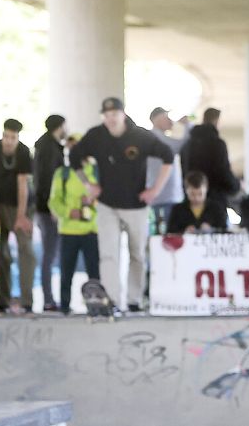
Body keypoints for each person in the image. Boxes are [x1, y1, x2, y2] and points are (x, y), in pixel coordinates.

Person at [69, 97, 174, 312]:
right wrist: (88, 184)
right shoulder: (96, 135)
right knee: (108, 254)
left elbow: (168, 156)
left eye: (114, 115)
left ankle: (135, 300)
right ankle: (112, 300)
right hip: (107, 204)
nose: (110, 119)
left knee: (137, 254)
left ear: (123, 114)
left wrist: (155, 189)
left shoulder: (140, 136)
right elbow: (74, 156)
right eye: (106, 116)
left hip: (136, 205)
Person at [0, 119, 35, 314]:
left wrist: (21, 216)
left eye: (13, 137)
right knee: (1, 252)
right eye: (6, 136)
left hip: (21, 206)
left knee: (26, 250)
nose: (9, 141)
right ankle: (2, 300)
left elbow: (23, 185)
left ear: (18, 138)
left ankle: (27, 300)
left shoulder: (23, 152)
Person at [47, 133, 99, 315]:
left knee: (94, 272)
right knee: (66, 271)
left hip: (92, 229)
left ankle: (95, 305)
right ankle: (65, 306)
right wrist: (70, 212)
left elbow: (105, 199)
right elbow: (53, 202)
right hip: (68, 230)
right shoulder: (62, 174)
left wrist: (92, 202)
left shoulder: (96, 171)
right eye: (69, 146)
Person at [33, 114, 67, 311]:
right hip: (48, 210)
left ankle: (50, 298)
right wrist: (52, 207)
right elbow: (47, 179)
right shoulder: (49, 148)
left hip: (46, 207)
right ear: (59, 127)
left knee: (51, 253)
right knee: (50, 254)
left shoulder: (46, 146)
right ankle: (48, 299)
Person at [181, 108, 239, 211]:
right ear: (217, 121)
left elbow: (184, 172)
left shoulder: (187, 144)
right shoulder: (217, 144)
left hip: (192, 199)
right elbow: (223, 170)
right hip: (215, 198)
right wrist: (234, 186)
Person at [147, 107, 192, 232]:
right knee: (168, 235)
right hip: (164, 197)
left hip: (163, 196)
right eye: (166, 117)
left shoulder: (156, 137)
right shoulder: (155, 137)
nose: (170, 121)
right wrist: (186, 126)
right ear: (158, 119)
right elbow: (178, 146)